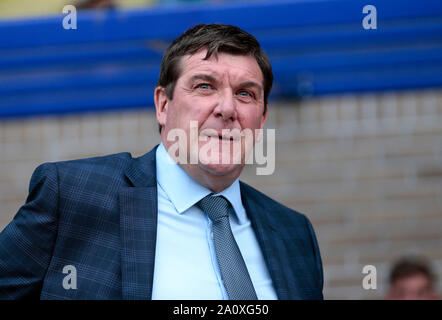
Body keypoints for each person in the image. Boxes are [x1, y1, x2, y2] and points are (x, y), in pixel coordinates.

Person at [0, 24, 323, 300]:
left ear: (262, 117)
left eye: (245, 94)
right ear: (163, 105)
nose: (227, 108)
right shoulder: (73, 194)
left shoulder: (293, 231)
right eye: (204, 86)